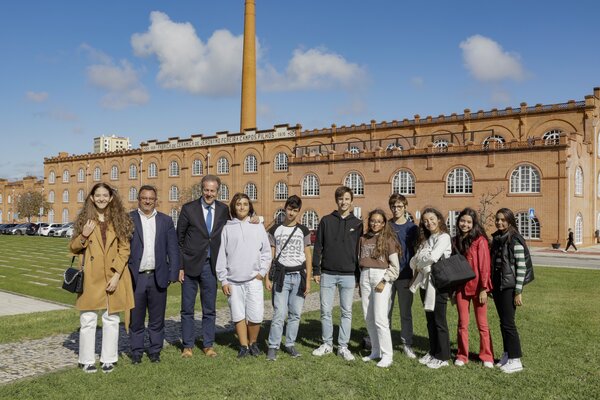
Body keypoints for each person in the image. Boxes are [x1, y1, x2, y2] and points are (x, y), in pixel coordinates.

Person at [69, 182, 134, 373]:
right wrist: (84, 235)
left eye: (105, 195)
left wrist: (117, 275)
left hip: (113, 274)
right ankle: (86, 360)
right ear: (91, 197)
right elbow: (73, 247)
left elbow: (124, 250)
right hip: (91, 276)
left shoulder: (119, 219)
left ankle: (109, 359)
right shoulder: (84, 219)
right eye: (98, 195)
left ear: (111, 198)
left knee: (111, 318)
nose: (101, 199)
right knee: (88, 319)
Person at [177, 175, 229, 358]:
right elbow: (179, 239)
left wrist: (253, 219)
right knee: (187, 308)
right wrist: (180, 266)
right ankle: (188, 346)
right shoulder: (189, 208)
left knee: (209, 308)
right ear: (201, 189)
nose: (209, 194)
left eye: (212, 191)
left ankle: (208, 345)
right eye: (206, 190)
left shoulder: (223, 210)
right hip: (190, 265)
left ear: (217, 192)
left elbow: (233, 227)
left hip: (211, 265)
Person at [128, 185, 180, 364]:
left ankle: (155, 351)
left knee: (157, 319)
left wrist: (173, 273)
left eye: (151, 198)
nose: (148, 201)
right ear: (139, 199)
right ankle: (136, 352)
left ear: (156, 200)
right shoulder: (129, 219)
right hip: (137, 277)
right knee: (136, 318)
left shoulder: (165, 220)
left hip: (158, 276)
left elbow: (173, 249)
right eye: (144, 198)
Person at [216, 193, 272, 358]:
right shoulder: (227, 228)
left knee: (255, 314)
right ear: (234, 207)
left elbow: (266, 252)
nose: (242, 207)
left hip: (253, 279)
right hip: (233, 281)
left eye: (245, 204)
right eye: (239, 204)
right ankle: (243, 346)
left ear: (250, 207)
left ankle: (253, 343)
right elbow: (222, 256)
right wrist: (224, 280)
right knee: (238, 314)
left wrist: (261, 273)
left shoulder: (257, 226)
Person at [312, 186, 363, 361]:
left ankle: (343, 346)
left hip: (348, 274)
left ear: (351, 201)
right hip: (328, 273)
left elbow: (360, 251)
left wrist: (358, 275)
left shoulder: (358, 224)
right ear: (336, 200)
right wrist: (316, 270)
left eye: (347, 199)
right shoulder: (326, 221)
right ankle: (327, 344)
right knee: (325, 310)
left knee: (346, 311)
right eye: (341, 199)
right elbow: (318, 246)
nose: (344, 202)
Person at [265, 195, 313, 361]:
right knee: (279, 313)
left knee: (295, 313)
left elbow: (308, 255)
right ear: (285, 208)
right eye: (289, 209)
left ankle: (290, 344)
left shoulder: (303, 231)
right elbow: (270, 256)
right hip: (281, 277)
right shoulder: (275, 230)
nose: (291, 213)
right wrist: (267, 277)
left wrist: (308, 281)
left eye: (295, 210)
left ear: (299, 211)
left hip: (299, 277)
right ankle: (273, 346)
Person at [409, 207, 452, 369]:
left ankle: (443, 356)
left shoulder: (444, 237)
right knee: (430, 320)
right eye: (425, 221)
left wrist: (422, 259)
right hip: (425, 284)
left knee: (439, 321)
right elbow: (413, 262)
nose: (429, 223)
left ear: (439, 219)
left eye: (432, 219)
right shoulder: (427, 239)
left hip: (438, 284)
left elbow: (433, 257)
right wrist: (422, 259)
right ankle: (433, 351)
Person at [452, 208, 494, 368]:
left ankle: (487, 356)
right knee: (462, 323)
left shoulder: (480, 240)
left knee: (482, 324)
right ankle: (462, 355)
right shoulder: (455, 240)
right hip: (461, 287)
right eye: (462, 221)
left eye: (469, 222)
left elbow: (484, 266)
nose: (465, 224)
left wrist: (484, 288)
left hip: (478, 288)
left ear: (474, 224)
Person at [490, 208, 530, 373]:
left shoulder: (515, 239)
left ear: (510, 221)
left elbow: (521, 267)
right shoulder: (498, 238)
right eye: (497, 219)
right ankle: (507, 354)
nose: (499, 222)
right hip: (498, 286)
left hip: (509, 287)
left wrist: (518, 291)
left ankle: (516, 360)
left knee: (509, 323)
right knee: (503, 322)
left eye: (503, 220)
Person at [359, 209, 400, 368]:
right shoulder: (363, 238)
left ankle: (387, 355)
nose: (375, 224)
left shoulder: (388, 240)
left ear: (383, 224)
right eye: (373, 221)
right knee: (368, 317)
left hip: (381, 277)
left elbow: (395, 267)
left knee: (380, 318)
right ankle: (375, 351)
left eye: (378, 221)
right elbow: (360, 260)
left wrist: (384, 280)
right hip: (365, 275)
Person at [387, 194, 418, 359]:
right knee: (386, 311)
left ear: (405, 207)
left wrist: (415, 276)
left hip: (405, 275)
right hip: (388, 275)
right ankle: (385, 343)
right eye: (393, 206)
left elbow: (417, 253)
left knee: (405, 313)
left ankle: (407, 343)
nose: (396, 209)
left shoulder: (412, 228)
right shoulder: (386, 226)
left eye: (399, 206)